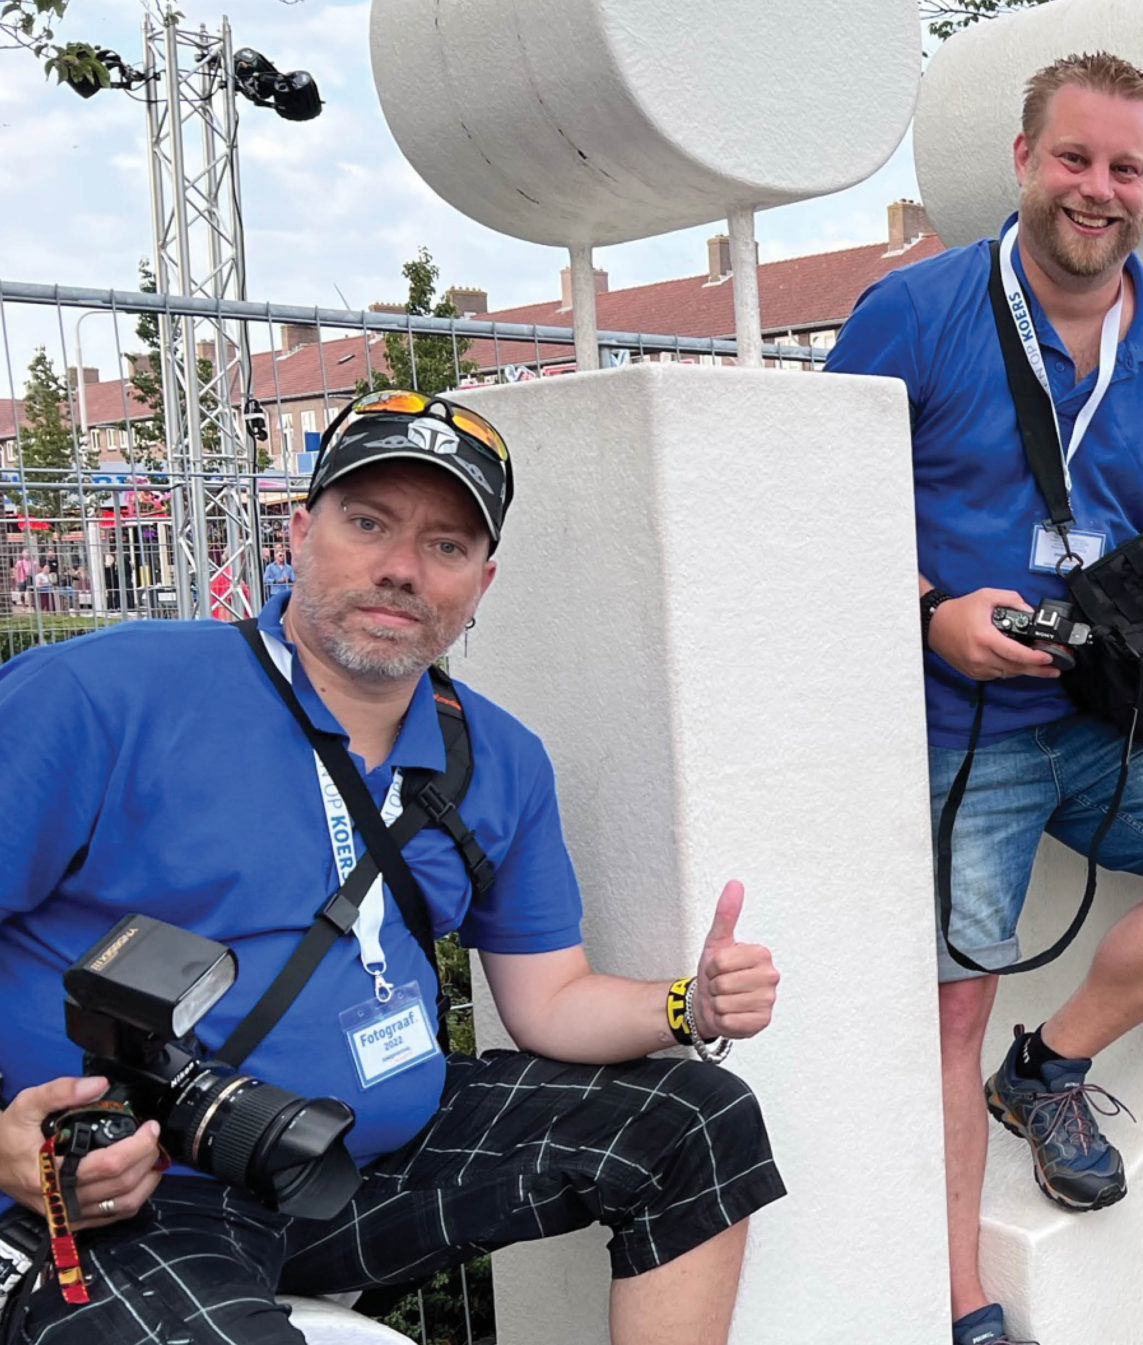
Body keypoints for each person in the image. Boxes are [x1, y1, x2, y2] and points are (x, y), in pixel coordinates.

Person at [0, 389, 786, 1344]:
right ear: (300, 529)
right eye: (368, 522)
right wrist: (8, 1148)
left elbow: (550, 998)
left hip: (356, 1169)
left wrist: (685, 1008)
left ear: (482, 583)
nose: (402, 568)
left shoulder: (496, 756)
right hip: (130, 1191)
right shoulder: (100, 696)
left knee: (696, 1118)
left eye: (447, 545)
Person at [823, 52, 1143, 1345]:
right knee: (951, 1000)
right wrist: (933, 615)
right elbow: (823, 499)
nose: (1099, 188)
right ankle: (962, 1301)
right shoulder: (910, 312)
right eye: (1076, 159)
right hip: (963, 720)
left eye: (1125, 168)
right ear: (1025, 161)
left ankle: (1055, 1067)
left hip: (1119, 711)